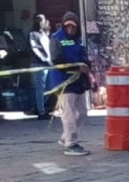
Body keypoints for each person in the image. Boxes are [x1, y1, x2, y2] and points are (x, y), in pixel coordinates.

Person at [49, 11, 91, 156]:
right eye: (68, 26)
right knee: (69, 113)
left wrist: (86, 65)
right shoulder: (56, 38)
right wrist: (76, 67)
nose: (71, 29)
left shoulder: (78, 39)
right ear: (64, 25)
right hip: (63, 81)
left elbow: (84, 55)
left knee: (83, 112)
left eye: (73, 26)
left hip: (79, 81)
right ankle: (71, 142)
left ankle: (65, 136)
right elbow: (56, 60)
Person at [29, 13, 52, 120]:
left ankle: (38, 107)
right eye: (37, 19)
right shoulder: (32, 34)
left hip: (48, 64)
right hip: (38, 64)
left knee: (50, 87)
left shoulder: (45, 34)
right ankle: (41, 111)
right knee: (40, 88)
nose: (39, 21)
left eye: (41, 19)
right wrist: (44, 59)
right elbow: (35, 48)